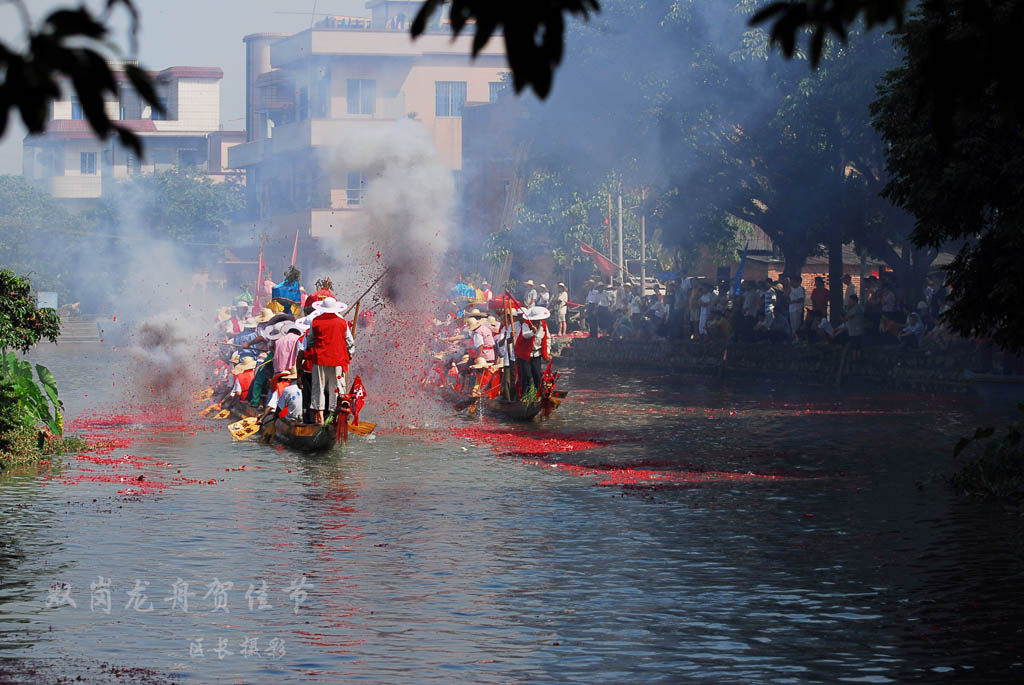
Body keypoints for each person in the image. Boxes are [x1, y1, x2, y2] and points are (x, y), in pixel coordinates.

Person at [306, 297, 356, 423]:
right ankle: (334, 415)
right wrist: (350, 353)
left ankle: (320, 417)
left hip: (320, 359)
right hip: (337, 360)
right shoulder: (342, 322)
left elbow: (310, 340)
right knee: (336, 387)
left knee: (319, 387)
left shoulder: (315, 321)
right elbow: (350, 342)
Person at [514, 306, 550, 396]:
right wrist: (532, 332)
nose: (538, 321)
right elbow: (525, 335)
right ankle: (525, 395)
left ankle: (539, 394)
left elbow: (548, 338)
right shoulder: (526, 324)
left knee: (537, 375)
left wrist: (547, 351)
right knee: (526, 376)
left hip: (537, 354)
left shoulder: (544, 325)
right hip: (525, 354)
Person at [788, 277, 805, 342]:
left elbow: (801, 299)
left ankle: (797, 338)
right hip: (791, 309)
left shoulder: (800, 289)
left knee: (796, 324)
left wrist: (793, 301)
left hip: (797, 309)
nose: (792, 283)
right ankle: (793, 338)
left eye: (794, 281)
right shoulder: (790, 288)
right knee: (792, 325)